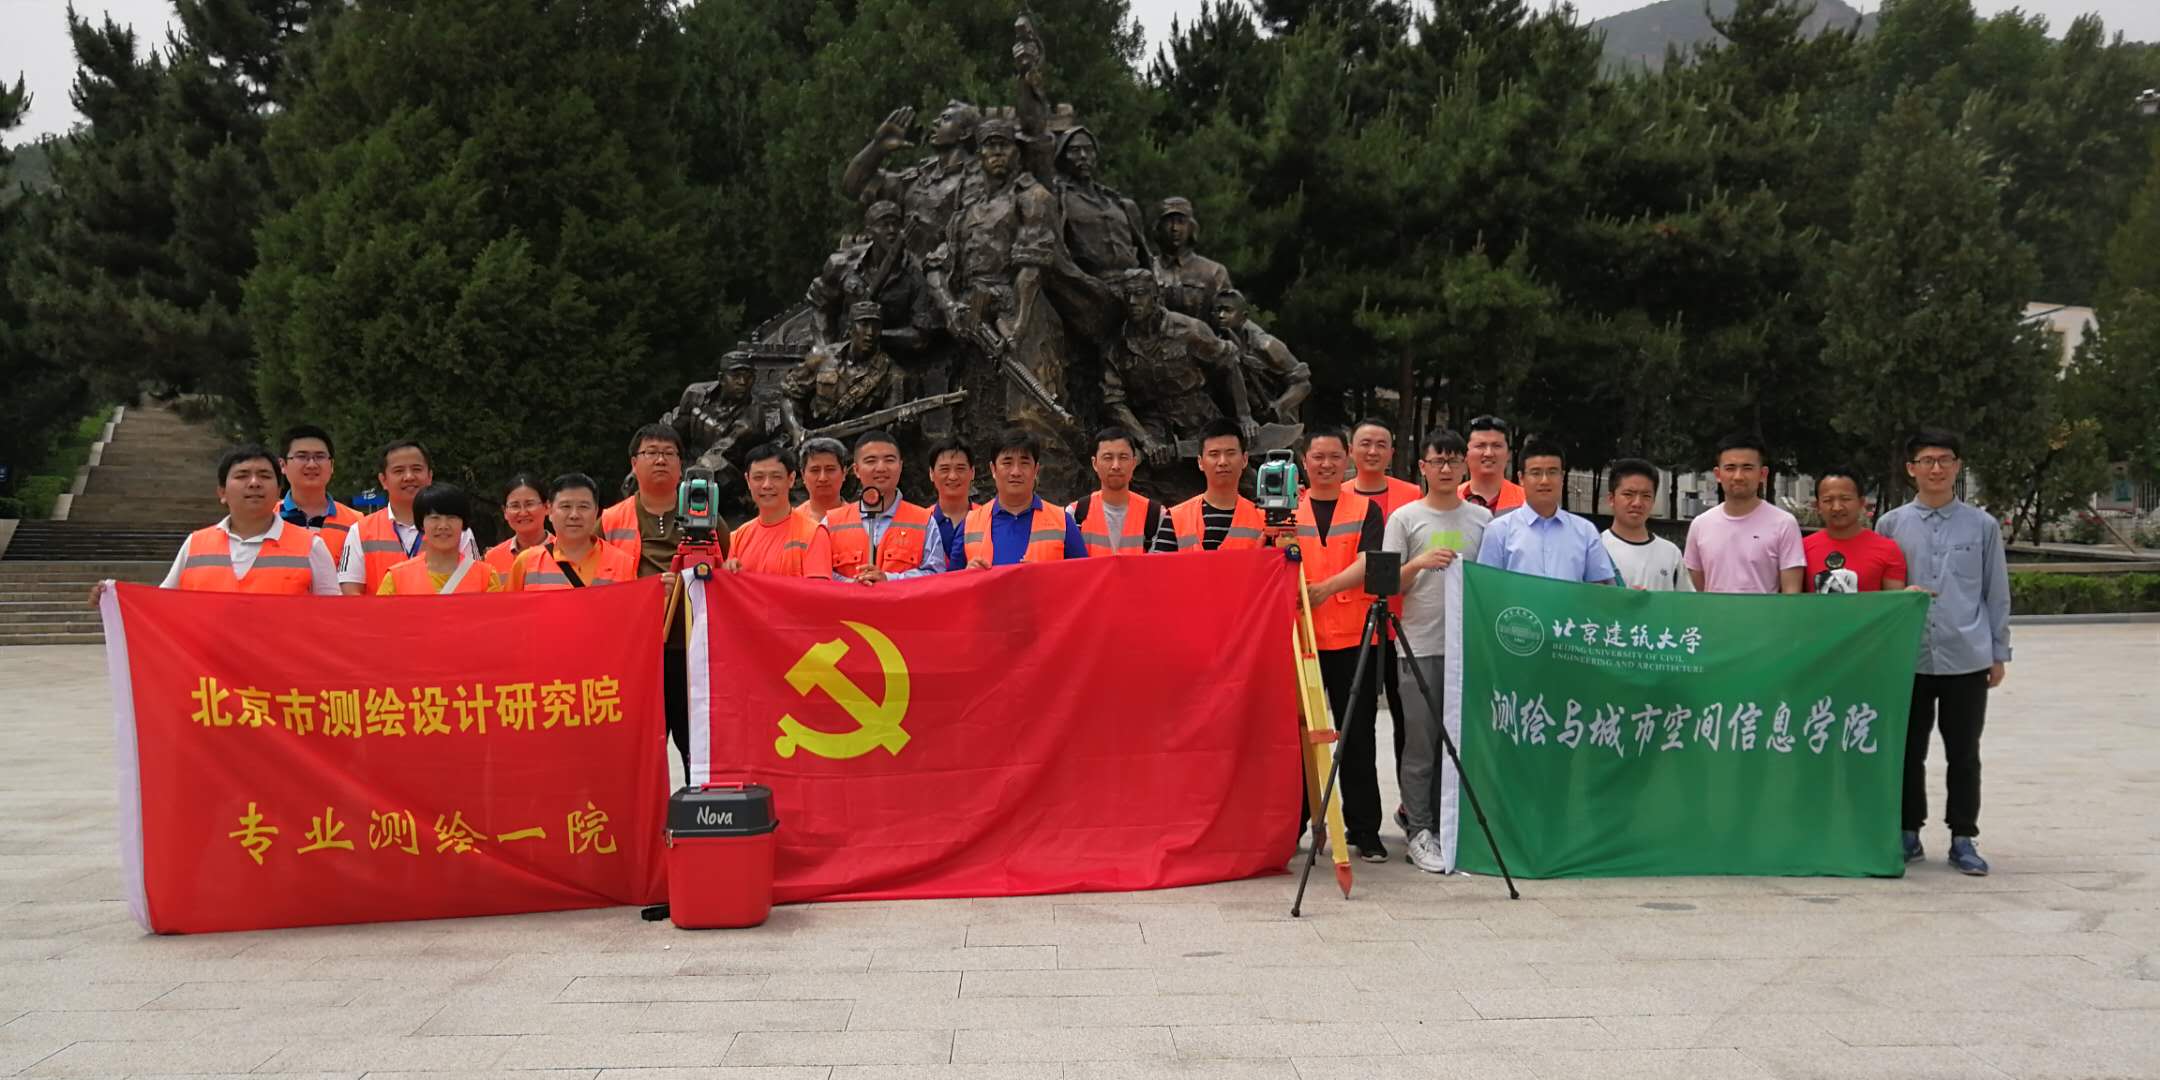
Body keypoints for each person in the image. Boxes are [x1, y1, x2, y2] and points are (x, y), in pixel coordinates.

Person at [1878, 429, 2010, 876]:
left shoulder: (1982, 526)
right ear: (1910, 468)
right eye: (1926, 460)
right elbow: (1882, 593)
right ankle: (1907, 832)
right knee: (1907, 750)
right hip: (1908, 658)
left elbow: (1996, 592)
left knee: (1964, 751)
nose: (1936, 468)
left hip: (1966, 654)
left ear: (1957, 466)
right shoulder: (1891, 525)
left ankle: (1963, 837)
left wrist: (1998, 652)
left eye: (1945, 460)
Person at [1383, 429, 1492, 873]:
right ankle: (1419, 831)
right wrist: (1419, 563)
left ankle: (1446, 824)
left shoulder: (1483, 521)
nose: (1446, 469)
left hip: (1468, 649)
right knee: (1421, 744)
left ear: (1465, 466)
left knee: (1459, 743)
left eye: (1453, 461)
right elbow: (1387, 582)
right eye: (1437, 461)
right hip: (1419, 645)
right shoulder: (1405, 518)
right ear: (1422, 467)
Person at [1294, 429, 1390, 863]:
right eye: (1318, 457)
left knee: (1358, 734)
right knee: (1300, 737)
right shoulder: (1286, 510)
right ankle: (1297, 824)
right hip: (1300, 639)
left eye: (1335, 456)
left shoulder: (1366, 509)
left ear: (1346, 460)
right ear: (1305, 461)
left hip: (1354, 637)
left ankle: (1365, 830)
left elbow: (1370, 560)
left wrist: (1325, 589)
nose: (1326, 464)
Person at [93, 444, 343, 602]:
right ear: (222, 492)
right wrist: (114, 601)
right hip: (211, 672)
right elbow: (161, 605)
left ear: (278, 490)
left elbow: (334, 617)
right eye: (242, 476)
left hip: (281, 672)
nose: (254, 483)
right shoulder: (196, 544)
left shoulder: (310, 546)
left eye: (264, 476)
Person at [1349, 418, 1422, 798]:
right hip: (1351, 626)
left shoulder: (1413, 495)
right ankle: (1363, 814)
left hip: (1403, 624)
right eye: (1365, 443)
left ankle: (1412, 806)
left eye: (1381, 444)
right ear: (1351, 450)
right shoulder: (1336, 495)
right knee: (1356, 724)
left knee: (1408, 720)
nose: (1373, 451)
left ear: (1392, 452)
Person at [340, 441, 479, 595]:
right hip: (382, 611)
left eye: (416, 469)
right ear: (383, 480)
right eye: (399, 471)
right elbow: (350, 592)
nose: (409, 477)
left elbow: (475, 580)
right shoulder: (360, 531)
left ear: (430, 476)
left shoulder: (458, 529)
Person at [1473, 438, 1618, 585]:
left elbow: (1600, 589)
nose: (1544, 481)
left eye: (1552, 472)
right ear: (1521, 478)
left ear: (1562, 477)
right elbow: (1486, 587)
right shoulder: (1498, 531)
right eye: (1536, 473)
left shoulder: (1586, 531)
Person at [1683, 432, 1804, 594]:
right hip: (1714, 611)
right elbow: (1694, 592)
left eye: (1747, 468)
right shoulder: (1700, 525)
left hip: (1764, 612)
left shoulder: (1784, 524)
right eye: (1730, 468)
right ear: (1718, 474)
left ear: (1763, 474)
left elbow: (1791, 593)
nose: (1738, 476)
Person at [824, 429, 946, 584]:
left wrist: (890, 579)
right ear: (856, 470)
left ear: (900, 466)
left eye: (889, 460)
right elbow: (820, 575)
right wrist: (852, 584)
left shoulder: (924, 522)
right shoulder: (830, 523)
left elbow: (936, 575)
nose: (881, 468)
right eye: (871, 461)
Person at [963, 429, 1088, 567]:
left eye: (1024, 463)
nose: (1016, 472)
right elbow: (951, 578)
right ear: (993, 469)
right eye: (1007, 463)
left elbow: (1084, 576)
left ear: (1036, 470)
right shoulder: (969, 524)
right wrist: (968, 574)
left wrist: (1046, 576)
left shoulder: (1063, 522)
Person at [506, 474, 640, 590]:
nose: (574, 515)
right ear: (550, 511)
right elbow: (510, 609)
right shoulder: (527, 563)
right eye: (566, 506)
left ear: (596, 512)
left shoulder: (623, 563)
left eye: (583, 506)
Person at [1153, 418, 1269, 552]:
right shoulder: (1176, 518)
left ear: (1244, 459)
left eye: (1230, 453)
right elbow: (1160, 565)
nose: (1223, 462)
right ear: (1200, 462)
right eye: (1214, 454)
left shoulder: (1263, 520)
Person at [727, 444, 835, 578]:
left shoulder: (813, 534)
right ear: (748, 481)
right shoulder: (738, 537)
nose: (767, 485)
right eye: (758, 477)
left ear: (791, 479)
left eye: (776, 477)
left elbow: (818, 590)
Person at [377, 484, 503, 595]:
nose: (443, 526)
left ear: (463, 523)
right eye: (434, 518)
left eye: (452, 517)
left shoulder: (486, 577)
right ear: (421, 523)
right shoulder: (396, 578)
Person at [600, 424, 691, 577]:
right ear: (634, 464)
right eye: (651, 452)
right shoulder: (611, 519)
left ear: (680, 465)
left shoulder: (704, 514)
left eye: (669, 453)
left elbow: (730, 561)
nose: (661, 460)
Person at [1805, 467, 1908, 594]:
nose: (1837, 507)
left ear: (1861, 503)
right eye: (1828, 500)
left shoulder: (1888, 550)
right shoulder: (1801, 549)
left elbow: (1896, 601)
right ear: (1818, 506)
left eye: (1845, 499)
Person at [1600, 458, 1691, 592]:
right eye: (1628, 494)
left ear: (1653, 500)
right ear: (1611, 499)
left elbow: (1686, 601)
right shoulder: (1596, 549)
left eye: (1646, 496)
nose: (1637, 503)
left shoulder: (1671, 553)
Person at [276, 425, 363, 565]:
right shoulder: (266, 518)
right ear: (282, 465)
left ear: (332, 464)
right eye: (302, 456)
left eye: (320, 456)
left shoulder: (357, 522)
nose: (312, 464)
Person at [1069, 428, 1161, 556]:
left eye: (1123, 457)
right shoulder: (1074, 515)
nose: (1116, 466)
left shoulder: (1156, 515)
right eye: (1108, 458)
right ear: (1095, 463)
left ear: (1134, 463)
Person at [927, 438, 977, 570]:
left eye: (960, 469)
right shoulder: (920, 522)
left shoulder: (988, 518)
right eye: (944, 469)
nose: (953, 476)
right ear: (931, 473)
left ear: (972, 472)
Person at [485, 473, 551, 574]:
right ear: (505, 512)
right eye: (515, 506)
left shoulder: (566, 553)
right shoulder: (492, 558)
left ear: (546, 507)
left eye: (529, 504)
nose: (523, 513)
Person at [1459, 415, 1525, 514]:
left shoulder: (1528, 502)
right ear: (1465, 453)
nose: (1489, 453)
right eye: (1480, 446)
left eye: (1497, 446)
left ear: (1508, 454)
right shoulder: (1447, 501)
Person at [797, 438, 849, 523]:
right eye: (815, 470)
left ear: (844, 473)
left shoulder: (861, 520)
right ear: (803, 475)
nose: (823, 478)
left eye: (830, 469)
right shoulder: (791, 520)